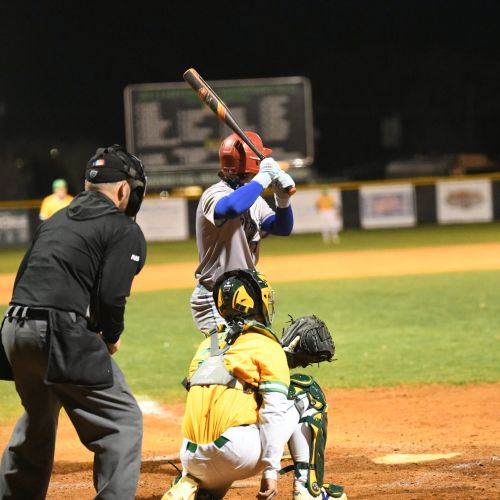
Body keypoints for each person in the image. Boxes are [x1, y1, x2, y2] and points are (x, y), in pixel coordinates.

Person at [0, 145, 147, 500]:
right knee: (122, 422)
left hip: (13, 327)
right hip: (57, 330)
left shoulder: (56, 220)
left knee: (38, 418)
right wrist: (110, 335)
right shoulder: (122, 227)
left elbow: (24, 276)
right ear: (124, 190)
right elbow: (111, 296)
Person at [163, 269, 347, 500]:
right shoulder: (265, 344)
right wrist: (270, 471)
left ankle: (196, 487)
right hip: (237, 455)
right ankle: (309, 491)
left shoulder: (207, 345)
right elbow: (274, 410)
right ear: (258, 303)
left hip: (192, 458)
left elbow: (224, 389)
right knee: (306, 391)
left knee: (227, 404)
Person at [191, 131, 295, 336]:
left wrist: (283, 200)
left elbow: (282, 228)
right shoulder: (214, 194)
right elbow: (231, 208)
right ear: (254, 163)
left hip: (245, 293)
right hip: (215, 295)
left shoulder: (254, 199)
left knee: (251, 352)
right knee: (221, 355)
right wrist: (264, 178)